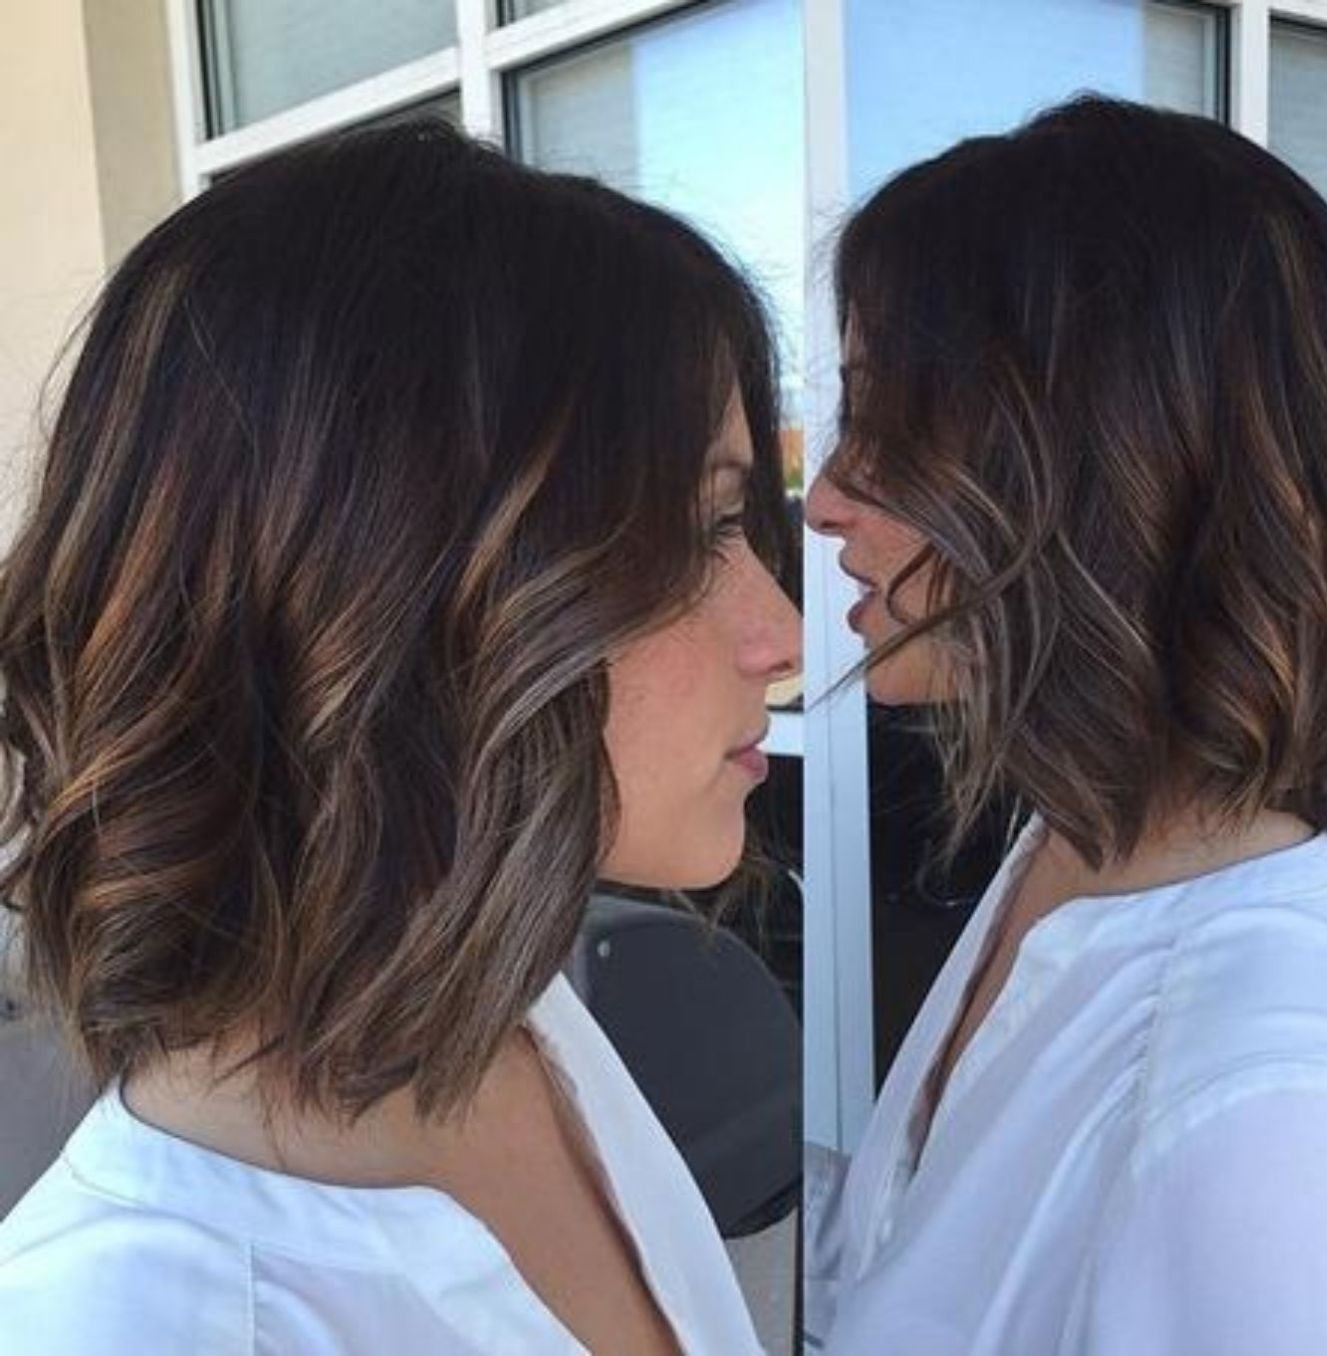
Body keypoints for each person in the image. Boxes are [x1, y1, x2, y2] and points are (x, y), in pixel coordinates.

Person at [0, 120, 799, 1354]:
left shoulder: (513, 1028)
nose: (782, 633)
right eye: (698, 533)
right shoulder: (131, 1325)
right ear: (387, 600)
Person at [804, 95, 1327, 1354]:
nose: (824, 496)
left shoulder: (1289, 1138)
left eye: (887, 422)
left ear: (1108, 469)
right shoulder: (1073, 851)